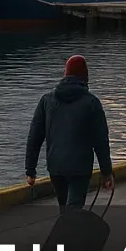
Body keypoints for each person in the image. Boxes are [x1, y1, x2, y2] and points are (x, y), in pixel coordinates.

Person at [25, 55, 114, 211]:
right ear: (85, 77)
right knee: (73, 212)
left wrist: (30, 170)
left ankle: (65, 233)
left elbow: (35, 137)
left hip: (56, 167)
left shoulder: (47, 100)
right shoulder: (91, 103)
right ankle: (68, 234)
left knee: (64, 210)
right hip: (80, 168)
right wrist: (106, 172)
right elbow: (101, 141)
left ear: (65, 75)